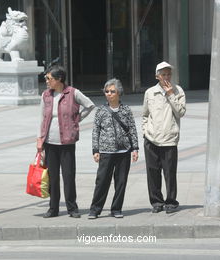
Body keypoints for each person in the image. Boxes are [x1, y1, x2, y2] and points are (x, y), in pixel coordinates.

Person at [37, 65, 95, 218]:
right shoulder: (45, 95)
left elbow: (89, 105)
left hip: (67, 142)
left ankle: (72, 208)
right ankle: (53, 208)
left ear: (59, 79)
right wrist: (39, 139)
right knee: (53, 178)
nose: (46, 81)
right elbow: (42, 118)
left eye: (49, 78)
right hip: (50, 142)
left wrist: (76, 120)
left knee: (68, 176)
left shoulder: (73, 93)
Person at [88, 78, 139, 219]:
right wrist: (95, 150)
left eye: (112, 91)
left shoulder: (126, 110)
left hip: (124, 152)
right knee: (102, 181)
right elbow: (95, 131)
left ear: (119, 93)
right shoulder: (101, 111)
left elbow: (132, 129)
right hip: (106, 151)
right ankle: (95, 209)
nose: (109, 94)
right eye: (107, 91)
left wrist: (135, 148)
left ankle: (116, 208)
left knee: (121, 182)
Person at [142, 61, 186, 214]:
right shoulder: (149, 92)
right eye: (163, 74)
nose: (167, 77)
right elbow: (145, 114)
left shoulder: (178, 90)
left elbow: (181, 112)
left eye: (169, 74)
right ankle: (156, 202)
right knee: (152, 173)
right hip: (151, 138)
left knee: (170, 173)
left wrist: (170, 94)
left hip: (169, 138)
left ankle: (171, 202)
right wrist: (145, 131)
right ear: (157, 76)